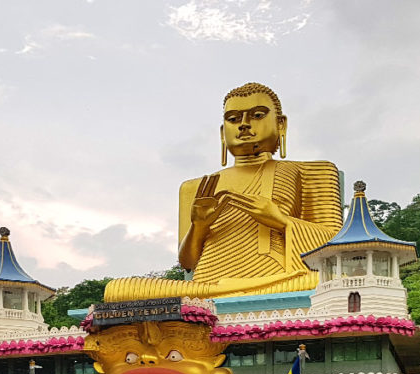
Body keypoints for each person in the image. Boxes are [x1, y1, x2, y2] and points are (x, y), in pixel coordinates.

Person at [104, 82, 342, 302]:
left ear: (281, 124)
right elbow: (188, 262)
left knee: (333, 280)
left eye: (257, 115)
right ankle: (224, 294)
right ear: (222, 131)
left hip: (280, 279)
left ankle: (228, 294)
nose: (244, 124)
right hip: (207, 284)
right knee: (118, 290)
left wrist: (281, 221)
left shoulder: (313, 171)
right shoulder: (195, 187)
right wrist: (199, 226)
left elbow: (337, 248)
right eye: (233, 118)